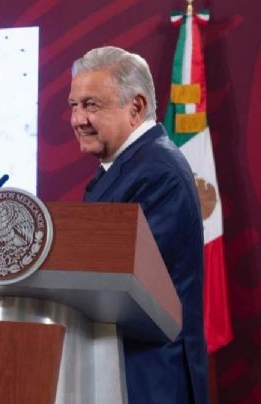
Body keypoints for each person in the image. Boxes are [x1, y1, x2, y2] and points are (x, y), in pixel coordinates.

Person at [68, 46, 209, 404]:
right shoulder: (129, 166)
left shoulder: (156, 171)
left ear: (136, 107)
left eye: (91, 105)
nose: (78, 119)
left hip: (151, 380)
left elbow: (130, 285)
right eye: (74, 105)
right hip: (122, 372)